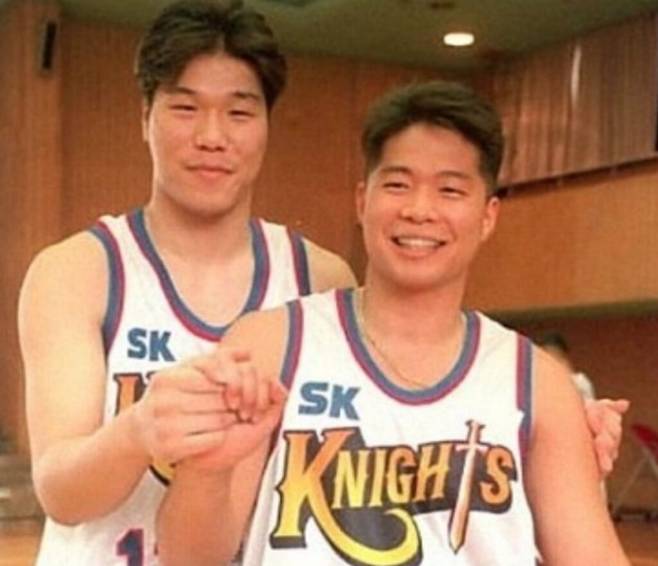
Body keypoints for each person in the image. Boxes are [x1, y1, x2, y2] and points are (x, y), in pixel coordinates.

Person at [157, 81, 630, 565]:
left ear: (488, 216)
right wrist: (209, 469)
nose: (419, 210)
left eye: (450, 190)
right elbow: (186, 560)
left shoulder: (536, 384)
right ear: (362, 201)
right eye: (398, 184)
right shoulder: (270, 348)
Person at [17, 1, 355, 565]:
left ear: (267, 125)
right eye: (185, 108)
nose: (212, 136)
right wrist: (139, 431)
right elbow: (60, 491)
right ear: (144, 117)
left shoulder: (322, 280)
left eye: (239, 112)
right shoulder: (77, 271)